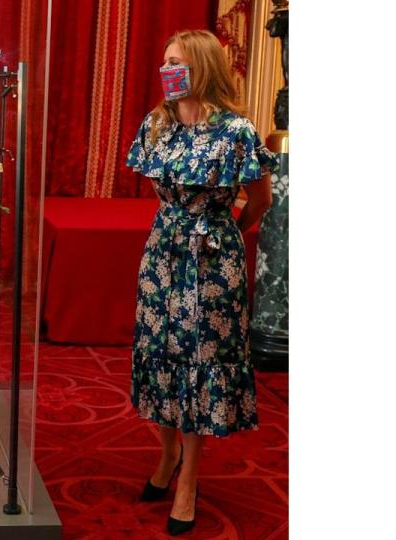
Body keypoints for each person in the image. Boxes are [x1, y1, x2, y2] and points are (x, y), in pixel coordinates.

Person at [125, 30, 279, 536]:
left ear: (204, 67)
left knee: (200, 363)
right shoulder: (157, 124)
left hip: (213, 261)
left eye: (179, 62)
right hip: (163, 254)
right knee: (161, 357)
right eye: (166, 61)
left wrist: (225, 230)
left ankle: (189, 479)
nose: (169, 70)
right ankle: (167, 454)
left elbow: (260, 199)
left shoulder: (236, 130)